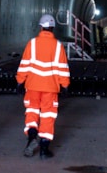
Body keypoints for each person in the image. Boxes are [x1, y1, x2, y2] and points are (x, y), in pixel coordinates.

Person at [15, 13, 71, 159]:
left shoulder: (32, 44)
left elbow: (24, 65)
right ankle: (44, 149)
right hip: (50, 88)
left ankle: (32, 137)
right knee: (47, 116)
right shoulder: (58, 47)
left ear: (40, 27)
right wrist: (65, 85)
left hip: (32, 86)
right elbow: (62, 68)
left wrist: (20, 81)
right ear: (52, 28)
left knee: (32, 112)